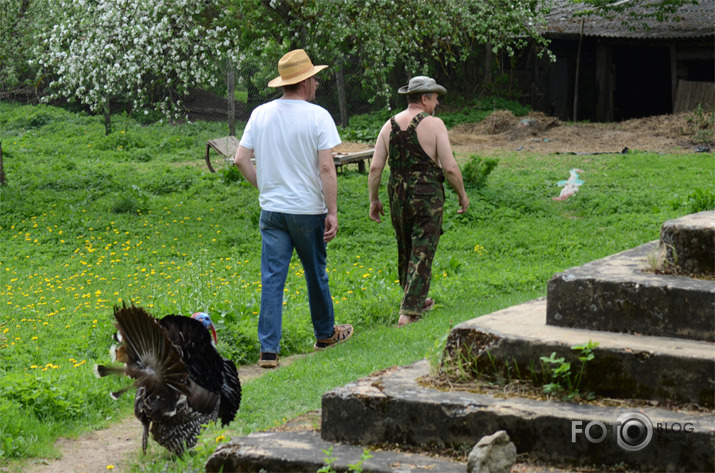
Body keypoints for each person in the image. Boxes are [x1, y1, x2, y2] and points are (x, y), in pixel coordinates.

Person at [234, 49, 354, 368]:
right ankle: (325, 334)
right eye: (314, 77)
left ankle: (269, 351)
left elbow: (240, 159)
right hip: (307, 211)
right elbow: (327, 168)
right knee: (315, 273)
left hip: (272, 212)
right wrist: (332, 211)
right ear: (305, 82)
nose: (317, 82)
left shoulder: (260, 113)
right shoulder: (317, 116)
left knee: (273, 278)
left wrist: (266, 187)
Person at [368, 76, 469, 326]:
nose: (437, 104)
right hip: (427, 194)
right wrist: (462, 194)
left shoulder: (387, 126)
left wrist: (374, 200)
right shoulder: (434, 124)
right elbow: (451, 168)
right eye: (434, 98)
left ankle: (413, 297)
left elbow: (375, 169)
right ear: (424, 98)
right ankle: (409, 311)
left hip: (397, 193)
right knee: (423, 247)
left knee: (405, 245)